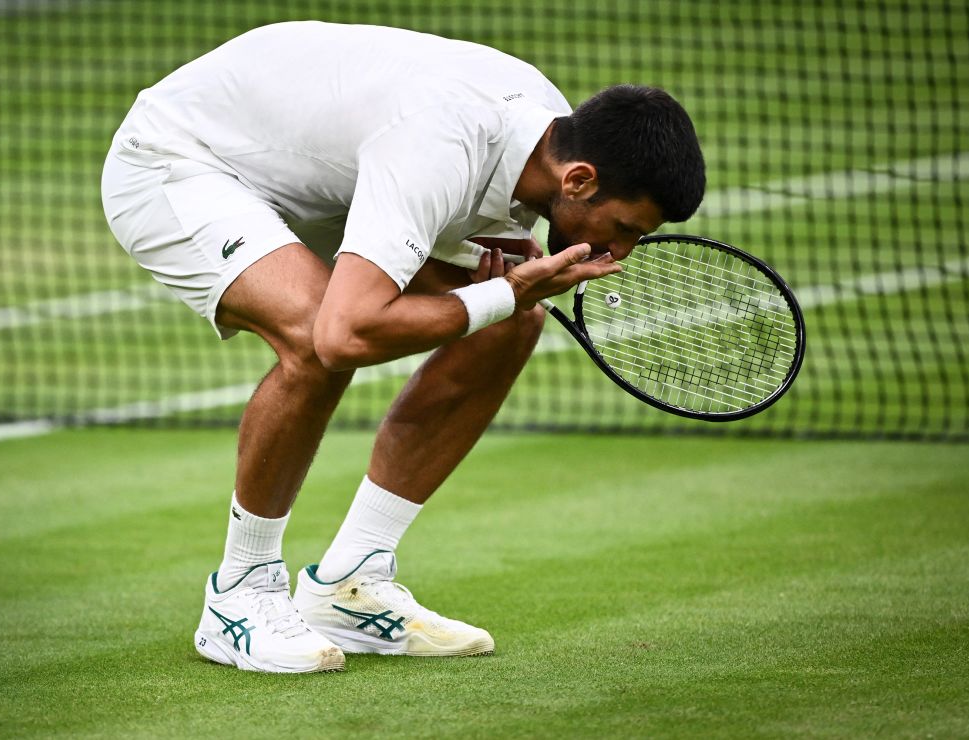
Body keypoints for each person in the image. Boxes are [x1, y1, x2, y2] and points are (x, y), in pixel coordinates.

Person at [101, 20, 705, 674]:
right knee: (316, 339)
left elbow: (478, 274)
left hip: (330, 181)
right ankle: (239, 595)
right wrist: (506, 290)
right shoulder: (440, 144)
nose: (620, 253)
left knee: (509, 321)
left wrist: (507, 293)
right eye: (622, 229)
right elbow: (344, 334)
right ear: (580, 180)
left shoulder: (545, 138)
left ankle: (349, 585)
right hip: (181, 160)